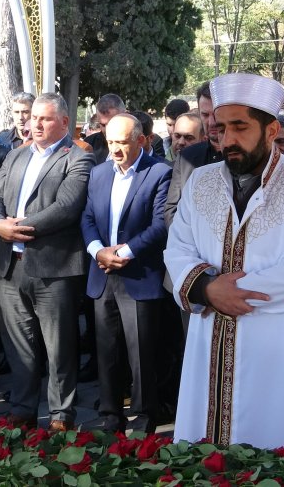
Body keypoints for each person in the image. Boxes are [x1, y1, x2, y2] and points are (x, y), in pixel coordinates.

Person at [165, 72, 284, 450]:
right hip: (208, 337)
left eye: (240, 126)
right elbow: (177, 249)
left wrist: (225, 293)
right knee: (203, 456)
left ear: (271, 129)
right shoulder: (200, 181)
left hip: (279, 348)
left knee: (278, 451)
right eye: (221, 128)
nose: (228, 139)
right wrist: (207, 288)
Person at [0, 92, 94, 432]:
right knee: (19, 345)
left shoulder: (77, 158)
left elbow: (66, 207)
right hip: (11, 267)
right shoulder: (15, 155)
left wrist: (16, 228)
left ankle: (62, 415)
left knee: (59, 347)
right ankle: (23, 408)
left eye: (45, 118)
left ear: (64, 122)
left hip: (54, 269)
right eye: (34, 117)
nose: (36, 123)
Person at [81, 113, 171, 434]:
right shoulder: (98, 173)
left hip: (139, 274)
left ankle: (146, 415)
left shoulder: (160, 172)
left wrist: (125, 252)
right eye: (110, 142)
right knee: (106, 349)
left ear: (141, 141)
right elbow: (88, 218)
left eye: (122, 142)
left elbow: (161, 224)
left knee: (141, 352)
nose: (115, 149)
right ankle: (110, 414)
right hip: (103, 273)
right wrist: (98, 251)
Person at [164, 81, 221, 226]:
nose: (211, 122)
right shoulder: (186, 157)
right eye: (205, 115)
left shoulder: (246, 156)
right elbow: (172, 210)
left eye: (217, 114)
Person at [83, 94, 127, 164]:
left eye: (111, 124)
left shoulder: (137, 143)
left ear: (126, 115)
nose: (107, 130)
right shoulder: (89, 144)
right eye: (103, 125)